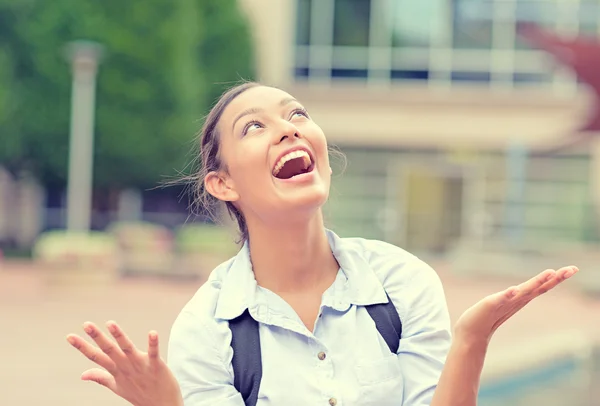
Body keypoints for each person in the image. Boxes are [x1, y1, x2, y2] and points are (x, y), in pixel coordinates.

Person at [66, 82, 578, 406]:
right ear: (223, 184)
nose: (288, 130)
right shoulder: (209, 329)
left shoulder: (402, 283)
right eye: (254, 127)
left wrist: (472, 340)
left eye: (296, 114)